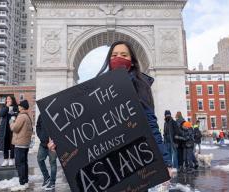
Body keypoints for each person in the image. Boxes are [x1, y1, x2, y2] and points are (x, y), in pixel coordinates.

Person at [48, 41, 173, 176]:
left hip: (135, 159)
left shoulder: (141, 86)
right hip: (107, 164)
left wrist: (165, 162)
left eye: (124, 54)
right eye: (114, 55)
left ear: (132, 61)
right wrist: (61, 146)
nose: (118, 58)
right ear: (108, 60)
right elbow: (85, 127)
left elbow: (151, 125)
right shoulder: (96, 89)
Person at [10, 100, 33, 191]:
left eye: (19, 106)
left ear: (22, 107)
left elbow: (15, 128)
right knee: (24, 163)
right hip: (25, 144)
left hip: (20, 144)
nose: (18, 107)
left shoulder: (21, 116)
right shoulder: (27, 116)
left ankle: (22, 183)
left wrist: (11, 121)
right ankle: (25, 182)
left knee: (19, 164)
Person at [0, 95, 18, 166]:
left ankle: (11, 159)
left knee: (12, 144)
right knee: (5, 144)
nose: (8, 100)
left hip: (12, 128)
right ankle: (5, 159)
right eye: (7, 99)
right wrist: (7, 107)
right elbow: (1, 114)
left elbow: (18, 115)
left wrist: (14, 114)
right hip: (5, 128)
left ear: (12, 100)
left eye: (9, 99)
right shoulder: (4, 107)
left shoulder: (15, 107)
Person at [36, 115, 57, 191]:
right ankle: (46, 177)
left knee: (53, 163)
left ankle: (52, 182)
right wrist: (41, 136)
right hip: (43, 143)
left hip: (53, 144)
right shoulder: (41, 115)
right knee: (39, 160)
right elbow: (38, 126)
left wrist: (55, 139)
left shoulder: (53, 112)